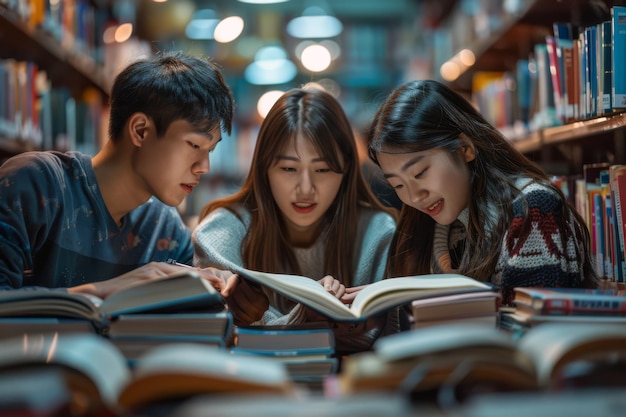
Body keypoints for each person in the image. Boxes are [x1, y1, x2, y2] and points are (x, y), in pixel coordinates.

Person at [0, 51, 266, 324]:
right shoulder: (36, 185)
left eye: (210, 150)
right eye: (195, 145)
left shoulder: (164, 231)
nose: (204, 166)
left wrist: (230, 305)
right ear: (140, 130)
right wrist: (101, 292)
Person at [193, 87, 398, 352]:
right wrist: (309, 319)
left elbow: (390, 340)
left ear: (346, 169)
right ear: (264, 167)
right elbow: (212, 336)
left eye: (322, 169)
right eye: (289, 168)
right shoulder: (221, 233)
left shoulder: (378, 233)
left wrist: (270, 323)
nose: (305, 189)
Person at [367, 79, 597, 306]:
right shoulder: (434, 225)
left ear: (465, 149)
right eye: (398, 185)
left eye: (420, 173)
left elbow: (534, 327)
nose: (414, 196)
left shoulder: (533, 208)